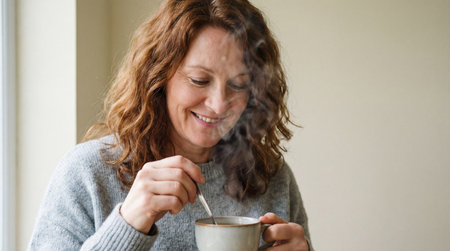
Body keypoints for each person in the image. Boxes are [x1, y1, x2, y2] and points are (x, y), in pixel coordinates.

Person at [28, 0, 313, 250]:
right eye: (199, 80)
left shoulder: (272, 178)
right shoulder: (87, 174)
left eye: (238, 85)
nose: (218, 104)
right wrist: (128, 224)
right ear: (158, 76)